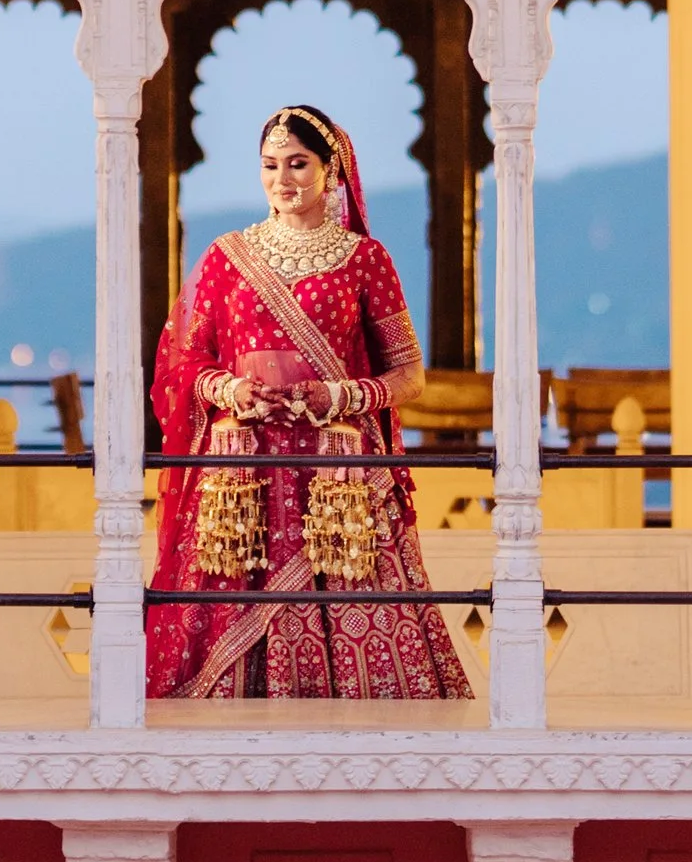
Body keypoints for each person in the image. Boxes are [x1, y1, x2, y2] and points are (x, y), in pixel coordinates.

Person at [146, 103, 473, 703]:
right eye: (270, 165)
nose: (282, 179)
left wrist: (341, 395)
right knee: (225, 593)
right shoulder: (227, 257)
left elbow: (409, 377)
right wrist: (229, 389)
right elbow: (183, 364)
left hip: (336, 471)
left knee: (354, 596)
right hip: (243, 469)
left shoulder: (365, 260)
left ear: (332, 169)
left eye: (298, 163)